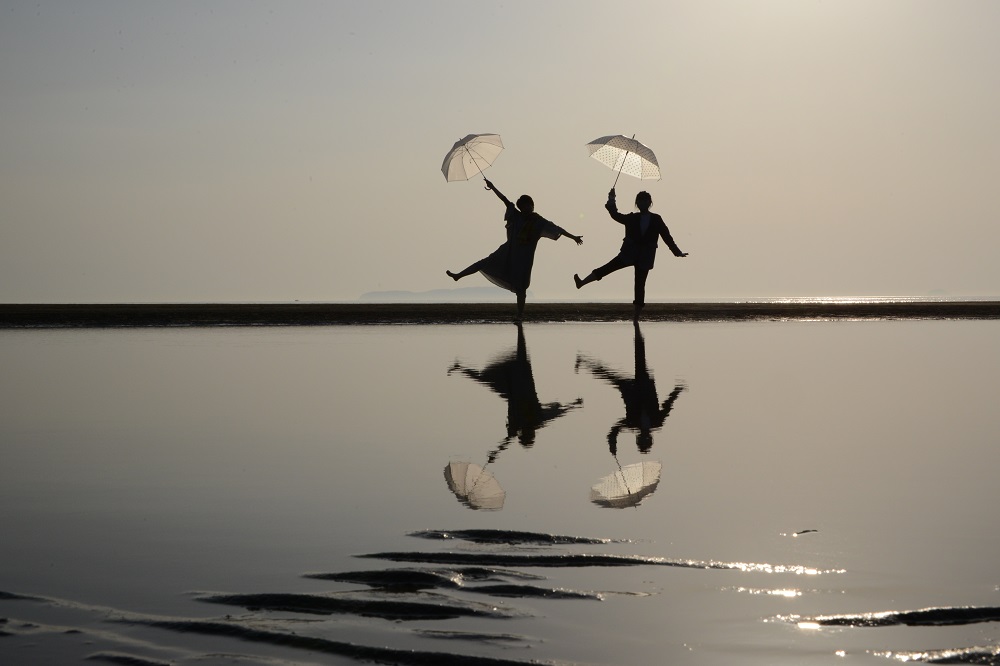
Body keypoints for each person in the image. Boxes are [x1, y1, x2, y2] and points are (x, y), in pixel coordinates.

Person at [447, 179, 583, 321]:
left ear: (532, 205)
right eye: (523, 207)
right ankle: (458, 275)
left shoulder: (539, 222)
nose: (526, 209)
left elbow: (557, 229)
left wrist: (573, 237)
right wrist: (492, 187)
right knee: (482, 263)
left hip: (524, 259)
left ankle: (519, 315)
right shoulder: (517, 216)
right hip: (508, 252)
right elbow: (504, 200)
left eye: (528, 206)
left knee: (521, 289)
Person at [574, 189, 687, 320]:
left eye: (645, 200)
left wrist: (677, 251)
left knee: (640, 285)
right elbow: (615, 215)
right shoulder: (632, 218)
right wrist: (612, 199)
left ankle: (636, 318)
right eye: (640, 200)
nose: (642, 203)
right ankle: (582, 283)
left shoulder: (656, 219)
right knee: (607, 268)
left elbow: (666, 236)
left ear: (650, 203)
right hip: (628, 254)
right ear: (637, 203)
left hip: (645, 257)